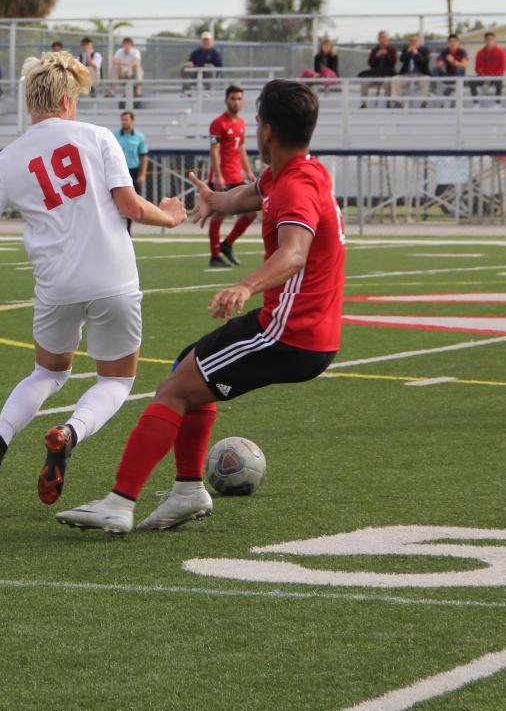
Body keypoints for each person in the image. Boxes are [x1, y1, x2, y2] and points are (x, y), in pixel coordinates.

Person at [56, 80, 344, 534]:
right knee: (186, 368)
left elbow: (294, 254)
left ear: (266, 131)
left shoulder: (295, 189)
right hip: (306, 331)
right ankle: (188, 490)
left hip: (288, 333)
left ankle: (120, 501)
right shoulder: (297, 173)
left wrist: (246, 286)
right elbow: (250, 195)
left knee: (173, 390)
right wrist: (216, 201)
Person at [0, 52, 186, 505]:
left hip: (57, 284)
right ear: (67, 98)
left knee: (48, 372)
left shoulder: (6, 160)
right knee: (115, 381)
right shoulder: (98, 137)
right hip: (113, 277)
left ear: (32, 103)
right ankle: (68, 434)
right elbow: (130, 206)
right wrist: (169, 218)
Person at [207, 85, 256, 268]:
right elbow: (214, 151)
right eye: (233, 98)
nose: (236, 102)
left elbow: (241, 148)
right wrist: (218, 176)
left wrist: (248, 171)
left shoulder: (241, 123)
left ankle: (227, 244)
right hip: (223, 176)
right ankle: (214, 255)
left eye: (239, 99)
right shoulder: (218, 123)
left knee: (251, 213)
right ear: (226, 100)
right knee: (219, 214)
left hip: (236, 175)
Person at [114, 110, 149, 234]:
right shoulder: (115, 135)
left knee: (132, 200)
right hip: (118, 171)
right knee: (115, 199)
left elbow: (143, 156)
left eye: (126, 119)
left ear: (132, 121)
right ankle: (116, 227)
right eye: (122, 120)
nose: (124, 122)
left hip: (133, 171)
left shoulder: (139, 137)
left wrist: (142, 174)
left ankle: (128, 229)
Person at [358, 30, 399, 106]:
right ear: (379, 39)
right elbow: (370, 63)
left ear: (387, 40)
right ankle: (364, 104)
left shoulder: (392, 49)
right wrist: (377, 55)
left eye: (384, 38)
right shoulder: (375, 50)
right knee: (364, 82)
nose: (383, 40)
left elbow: (393, 63)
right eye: (381, 38)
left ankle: (388, 103)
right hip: (376, 74)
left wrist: (386, 55)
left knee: (387, 82)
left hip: (387, 74)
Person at [394, 33, 432, 106]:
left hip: (420, 74)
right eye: (411, 41)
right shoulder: (406, 49)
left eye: (415, 41)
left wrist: (416, 53)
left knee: (426, 80)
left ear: (419, 42)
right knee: (395, 79)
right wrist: (408, 52)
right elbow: (402, 59)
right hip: (407, 74)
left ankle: (423, 102)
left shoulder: (425, 50)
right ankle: (397, 102)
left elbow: (425, 61)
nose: (413, 43)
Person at [474, 32, 506, 100]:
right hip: (483, 78)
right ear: (485, 40)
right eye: (487, 39)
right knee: (472, 82)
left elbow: (502, 68)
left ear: (494, 40)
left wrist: (491, 77)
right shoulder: (480, 53)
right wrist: (484, 77)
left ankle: (497, 103)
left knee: (499, 82)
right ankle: (475, 103)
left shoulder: (501, 52)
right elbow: (477, 68)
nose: (489, 41)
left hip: (495, 77)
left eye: (491, 39)